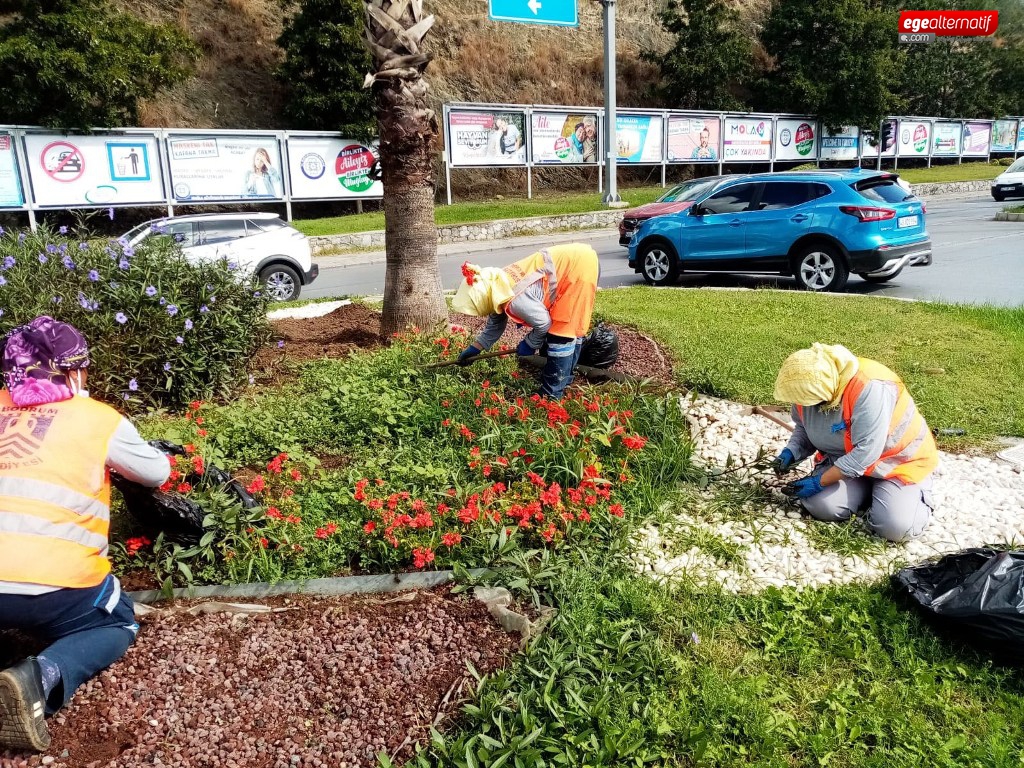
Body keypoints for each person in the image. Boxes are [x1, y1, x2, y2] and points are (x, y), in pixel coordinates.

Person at [0, 317, 170, 752]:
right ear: (72, 371)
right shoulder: (96, 419)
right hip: (56, 588)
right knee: (118, 621)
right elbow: (155, 472)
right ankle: (40, 677)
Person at [769, 343, 938, 542]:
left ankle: (906, 496)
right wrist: (791, 452)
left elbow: (865, 453)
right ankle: (867, 492)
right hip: (844, 462)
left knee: (895, 528)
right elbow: (805, 428)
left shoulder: (870, 387)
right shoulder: (805, 387)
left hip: (897, 465)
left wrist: (819, 482)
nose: (808, 407)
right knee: (821, 506)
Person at [453, 244, 600, 400]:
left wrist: (530, 344)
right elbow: (495, 325)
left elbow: (544, 324)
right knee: (565, 331)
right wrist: (474, 349)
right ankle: (564, 380)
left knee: (562, 334)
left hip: (578, 269)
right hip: (574, 259)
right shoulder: (497, 284)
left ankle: (551, 395)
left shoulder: (516, 300)